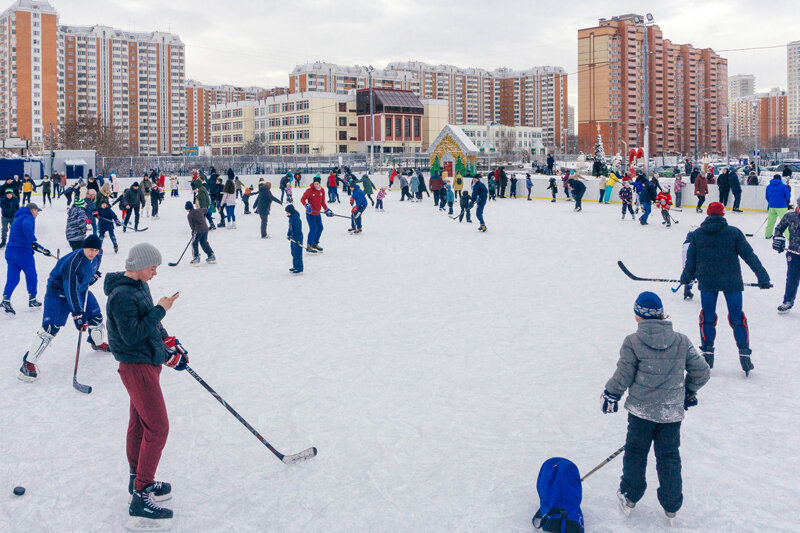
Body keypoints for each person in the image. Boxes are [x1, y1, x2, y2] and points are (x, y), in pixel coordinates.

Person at [602, 291, 710, 524]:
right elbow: (702, 371)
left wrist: (611, 394)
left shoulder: (633, 341)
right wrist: (688, 392)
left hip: (642, 412)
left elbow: (624, 374)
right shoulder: (681, 340)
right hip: (671, 413)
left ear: (639, 316)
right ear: (661, 314)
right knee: (669, 456)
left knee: (636, 452)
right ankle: (671, 505)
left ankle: (630, 496)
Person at [105, 243, 184, 530]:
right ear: (139, 264)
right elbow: (132, 335)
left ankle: (136, 478)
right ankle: (141, 493)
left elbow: (148, 324)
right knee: (158, 427)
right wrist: (161, 310)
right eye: (152, 267)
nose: (154, 273)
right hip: (136, 366)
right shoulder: (121, 295)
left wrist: (169, 343)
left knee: (139, 424)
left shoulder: (139, 287)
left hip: (147, 362)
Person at [679, 202, 771, 375]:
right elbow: (750, 256)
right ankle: (744, 354)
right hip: (732, 281)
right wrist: (763, 277)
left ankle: (707, 354)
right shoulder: (734, 232)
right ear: (723, 214)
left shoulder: (697, 234)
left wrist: (686, 277)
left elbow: (690, 261)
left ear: (707, 214)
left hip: (707, 282)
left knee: (707, 316)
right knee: (737, 317)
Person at [17, 235, 107, 381]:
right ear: (83, 247)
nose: (93, 252)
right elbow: (70, 289)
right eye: (91, 249)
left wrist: (92, 277)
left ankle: (96, 342)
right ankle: (27, 364)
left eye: (96, 250)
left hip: (81, 290)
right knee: (51, 328)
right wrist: (78, 314)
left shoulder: (98, 255)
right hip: (58, 293)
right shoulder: (73, 263)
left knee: (95, 316)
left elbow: (90, 269)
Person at [2, 203, 47, 315]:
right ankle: (32, 300)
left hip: (11, 251)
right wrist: (33, 241)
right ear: (32, 210)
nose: (37, 214)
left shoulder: (18, 218)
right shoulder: (28, 217)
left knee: (13, 277)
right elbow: (26, 228)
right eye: (37, 211)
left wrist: (41, 248)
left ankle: (5, 300)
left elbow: (22, 235)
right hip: (22, 252)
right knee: (31, 275)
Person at [773, 205, 800, 313]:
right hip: (793, 253)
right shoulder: (790, 216)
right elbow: (779, 228)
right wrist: (778, 237)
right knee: (792, 278)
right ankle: (788, 301)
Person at [300, 176, 333, 252]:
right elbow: (302, 199)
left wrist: (327, 210)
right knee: (313, 228)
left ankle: (315, 243)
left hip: (317, 213)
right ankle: (309, 245)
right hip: (310, 213)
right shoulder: (309, 190)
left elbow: (322, 202)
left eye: (317, 184)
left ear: (320, 183)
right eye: (315, 184)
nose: (316, 185)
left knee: (320, 228)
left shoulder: (322, 191)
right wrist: (306, 205)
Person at [765, 174, 791, 239]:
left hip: (772, 206)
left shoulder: (768, 186)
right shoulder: (783, 186)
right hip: (782, 206)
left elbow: (767, 197)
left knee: (771, 221)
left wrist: (771, 202)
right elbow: (788, 196)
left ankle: (768, 235)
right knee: (785, 222)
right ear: (780, 179)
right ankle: (789, 236)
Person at [285, 205, 303, 274]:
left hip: (297, 238)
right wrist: (288, 234)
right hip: (293, 237)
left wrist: (297, 240)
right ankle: (295, 266)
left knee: (297, 253)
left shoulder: (296, 219)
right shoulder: (291, 218)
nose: (287, 213)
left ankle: (299, 268)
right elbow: (290, 228)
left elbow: (298, 230)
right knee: (293, 252)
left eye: (287, 212)